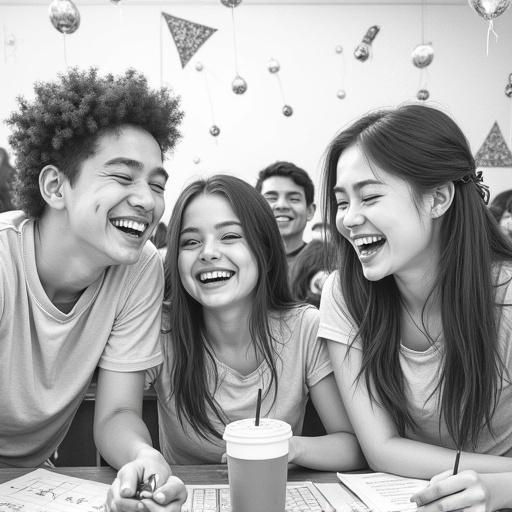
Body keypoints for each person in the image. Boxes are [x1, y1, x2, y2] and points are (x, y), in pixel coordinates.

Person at [2, 67, 186, 510]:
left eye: (157, 185)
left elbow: (117, 414)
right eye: (123, 177)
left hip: (29, 485)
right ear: (54, 187)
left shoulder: (139, 270)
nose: (147, 200)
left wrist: (143, 459)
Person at [318, 104, 512, 512]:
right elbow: (382, 449)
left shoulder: (506, 296)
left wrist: (500, 488)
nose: (349, 219)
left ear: (438, 197)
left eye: (369, 196)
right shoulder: (345, 293)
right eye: (341, 202)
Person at [147, 174, 365, 471]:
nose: (208, 252)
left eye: (230, 236)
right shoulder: (159, 328)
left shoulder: (305, 328)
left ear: (264, 248)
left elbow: (351, 445)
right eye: (191, 241)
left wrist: (289, 448)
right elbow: (117, 414)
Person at [255, 161, 316, 279]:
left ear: (310, 211)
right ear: (255, 208)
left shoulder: (329, 265)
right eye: (271, 198)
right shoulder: (243, 265)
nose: (281, 205)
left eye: (293, 199)